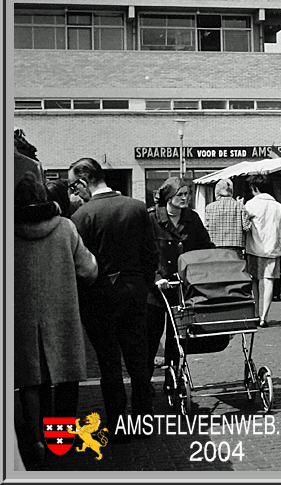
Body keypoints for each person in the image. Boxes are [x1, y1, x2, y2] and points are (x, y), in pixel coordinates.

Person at [68, 157, 158, 442]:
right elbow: (150, 254)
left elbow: (81, 265)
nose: (74, 192)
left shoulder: (82, 217)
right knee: (138, 361)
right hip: (134, 293)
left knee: (109, 365)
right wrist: (141, 283)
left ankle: (119, 427)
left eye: (74, 186)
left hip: (99, 297)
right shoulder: (137, 208)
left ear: (83, 182)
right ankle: (143, 422)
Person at [14, 172, 98, 467]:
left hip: (22, 317)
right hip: (61, 313)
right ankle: (60, 440)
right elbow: (88, 270)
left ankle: (35, 438)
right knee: (64, 376)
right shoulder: (65, 228)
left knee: (29, 380)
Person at [147, 177, 214, 382]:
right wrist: (156, 277)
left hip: (182, 287)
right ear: (168, 196)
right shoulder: (151, 218)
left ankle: (173, 377)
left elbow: (205, 247)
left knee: (177, 336)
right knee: (151, 336)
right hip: (157, 289)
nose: (185, 198)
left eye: (187, 194)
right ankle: (146, 381)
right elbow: (143, 252)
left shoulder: (192, 218)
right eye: (180, 194)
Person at [244, 174, 281, 328]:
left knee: (254, 281)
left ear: (255, 188)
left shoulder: (250, 205)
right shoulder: (277, 206)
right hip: (273, 249)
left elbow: (245, 227)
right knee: (269, 281)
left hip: (254, 249)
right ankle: (264, 316)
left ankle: (255, 313)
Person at [205, 178, 251, 257]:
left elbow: (206, 227)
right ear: (231, 191)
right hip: (235, 247)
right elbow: (246, 227)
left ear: (217, 191)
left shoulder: (209, 207)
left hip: (215, 246)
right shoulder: (239, 206)